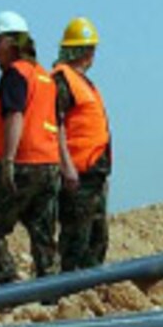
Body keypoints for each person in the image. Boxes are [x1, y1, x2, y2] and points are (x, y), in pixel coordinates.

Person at [0, 11, 78, 284]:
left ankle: (9, 286)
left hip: (22, 162)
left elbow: (15, 114)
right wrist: (64, 165)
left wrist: (7, 161)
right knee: (43, 233)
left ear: (11, 42)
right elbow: (57, 124)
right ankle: (53, 291)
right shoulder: (44, 78)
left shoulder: (15, 74)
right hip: (48, 165)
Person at [53, 17, 113, 272]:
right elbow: (55, 124)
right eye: (90, 49)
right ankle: (66, 296)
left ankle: (89, 294)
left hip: (94, 175)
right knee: (75, 240)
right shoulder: (62, 80)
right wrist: (66, 166)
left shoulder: (83, 83)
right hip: (77, 175)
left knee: (97, 240)